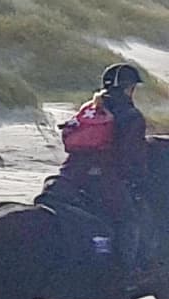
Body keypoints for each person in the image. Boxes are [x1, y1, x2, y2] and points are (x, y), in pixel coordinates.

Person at [44, 60, 150, 276]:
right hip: (103, 179)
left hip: (69, 175)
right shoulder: (131, 116)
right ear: (129, 89)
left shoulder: (90, 108)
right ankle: (123, 275)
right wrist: (141, 180)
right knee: (129, 221)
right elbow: (131, 158)